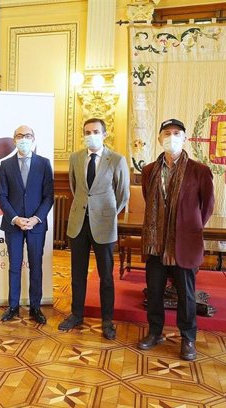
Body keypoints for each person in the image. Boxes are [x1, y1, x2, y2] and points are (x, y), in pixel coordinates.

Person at [137, 119, 214, 361]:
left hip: (184, 243)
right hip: (155, 243)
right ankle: (155, 332)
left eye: (177, 133)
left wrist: (187, 226)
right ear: (159, 139)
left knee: (186, 295)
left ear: (185, 138)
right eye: (167, 133)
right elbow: (149, 199)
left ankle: (188, 338)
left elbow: (207, 206)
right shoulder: (149, 170)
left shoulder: (199, 170)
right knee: (155, 291)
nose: (172, 137)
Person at [58, 118, 130, 339]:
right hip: (79, 223)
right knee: (77, 274)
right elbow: (74, 186)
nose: (91, 135)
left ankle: (107, 321)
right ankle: (76, 314)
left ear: (105, 134)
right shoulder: (75, 158)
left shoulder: (117, 160)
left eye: (96, 131)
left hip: (104, 225)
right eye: (87, 132)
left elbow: (123, 194)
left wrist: (106, 213)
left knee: (106, 276)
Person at [0, 125, 54, 324]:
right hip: (13, 225)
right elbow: (1, 196)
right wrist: (16, 218)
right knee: (14, 267)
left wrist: (35, 218)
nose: (24, 139)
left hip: (36, 225)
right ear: (14, 140)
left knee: (36, 267)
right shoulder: (5, 165)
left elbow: (48, 196)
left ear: (33, 138)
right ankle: (13, 307)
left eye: (27, 135)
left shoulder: (44, 164)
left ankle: (35, 307)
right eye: (20, 136)